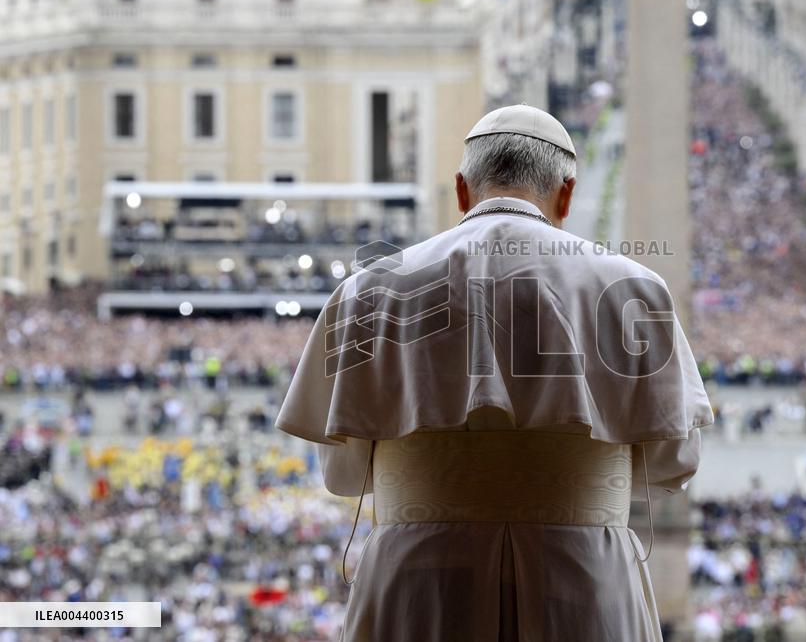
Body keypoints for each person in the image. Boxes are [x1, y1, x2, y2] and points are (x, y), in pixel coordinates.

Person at [276, 104, 714, 641]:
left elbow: (342, 474)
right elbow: (671, 463)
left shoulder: (369, 291)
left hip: (420, 580)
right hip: (583, 577)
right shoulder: (634, 289)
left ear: (461, 191)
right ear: (567, 195)